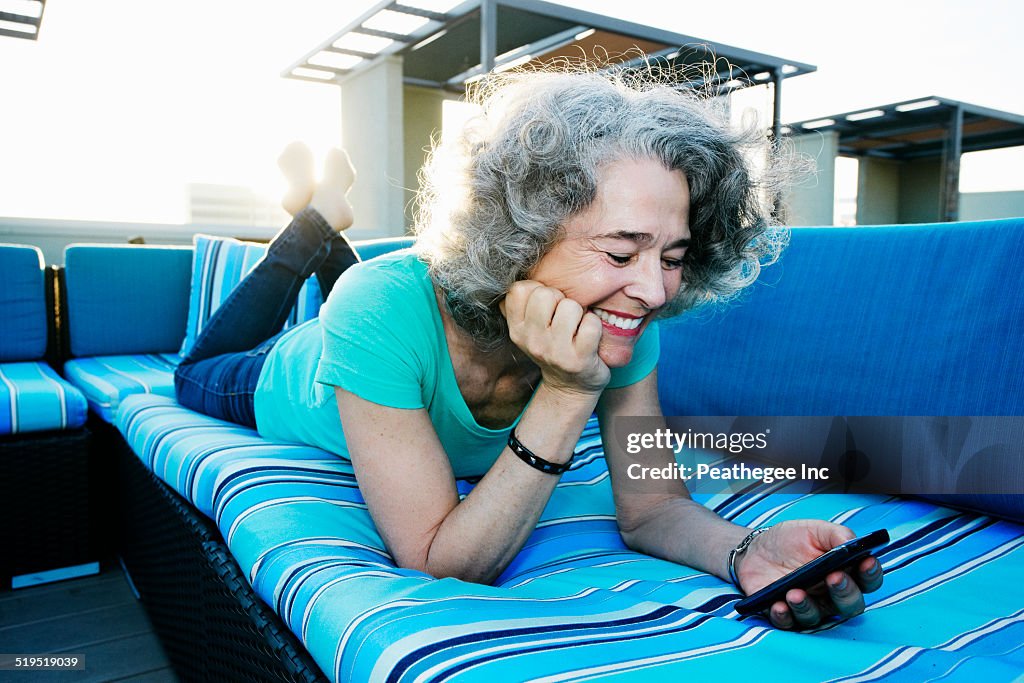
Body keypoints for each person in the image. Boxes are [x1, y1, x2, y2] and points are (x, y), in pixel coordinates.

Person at [174, 67, 883, 631]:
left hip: (377, 331)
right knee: (194, 370)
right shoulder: (378, 305)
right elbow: (437, 561)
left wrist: (744, 550)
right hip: (283, 377)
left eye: (672, 255)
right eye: (620, 250)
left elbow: (654, 504)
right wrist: (569, 391)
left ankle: (328, 230)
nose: (657, 290)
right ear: (519, 237)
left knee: (367, 296)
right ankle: (317, 220)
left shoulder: (622, 319)